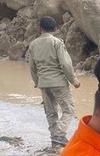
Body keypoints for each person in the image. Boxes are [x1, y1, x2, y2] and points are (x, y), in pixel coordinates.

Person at [26, 16, 81, 148]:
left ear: (40, 29)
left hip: (43, 83)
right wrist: (73, 80)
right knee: (68, 110)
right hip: (58, 82)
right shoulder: (57, 42)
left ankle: (54, 138)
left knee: (50, 111)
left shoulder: (33, 44)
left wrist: (37, 82)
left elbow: (32, 67)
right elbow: (65, 63)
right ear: (55, 29)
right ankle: (59, 134)